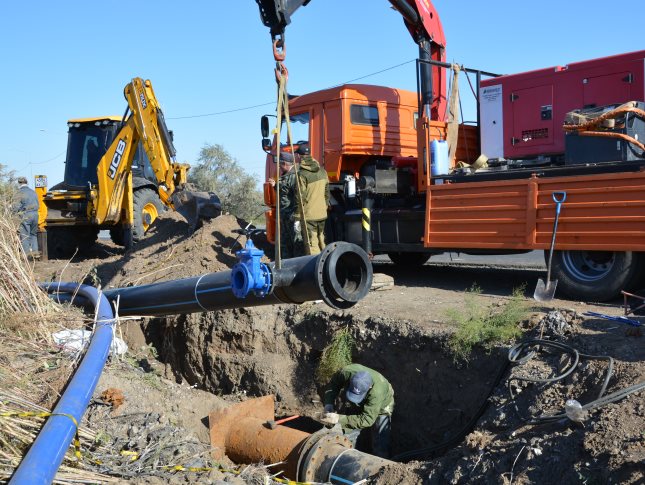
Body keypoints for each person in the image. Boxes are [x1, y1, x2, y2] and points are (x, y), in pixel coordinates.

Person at [321, 363, 394, 458]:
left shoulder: (377, 393)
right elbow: (333, 385)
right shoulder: (345, 372)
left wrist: (339, 419)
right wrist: (328, 403)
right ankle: (347, 455)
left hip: (383, 404)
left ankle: (381, 463)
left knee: (380, 439)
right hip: (361, 400)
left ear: (369, 387)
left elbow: (367, 420)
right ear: (351, 380)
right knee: (349, 431)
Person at [268, 152, 302, 258]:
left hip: (293, 216)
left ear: (285, 164)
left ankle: (297, 266)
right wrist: (275, 186)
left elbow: (298, 197)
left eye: (280, 164)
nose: (279, 167)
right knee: (285, 244)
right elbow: (284, 192)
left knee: (297, 243)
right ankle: (286, 265)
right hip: (285, 216)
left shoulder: (295, 176)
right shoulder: (285, 176)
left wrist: (296, 215)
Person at [296, 146, 329, 255]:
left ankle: (315, 267)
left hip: (309, 215)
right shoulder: (323, 171)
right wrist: (325, 206)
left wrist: (297, 215)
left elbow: (301, 196)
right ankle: (326, 264)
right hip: (322, 213)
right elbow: (326, 192)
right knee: (321, 239)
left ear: (298, 156)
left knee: (312, 243)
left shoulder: (302, 174)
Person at [16, 176, 40, 256]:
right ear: (27, 183)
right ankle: (35, 253)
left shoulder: (19, 193)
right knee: (33, 234)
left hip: (26, 215)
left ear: (19, 183)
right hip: (35, 215)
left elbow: (16, 206)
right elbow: (38, 204)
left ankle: (27, 255)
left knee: (25, 236)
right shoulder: (33, 192)